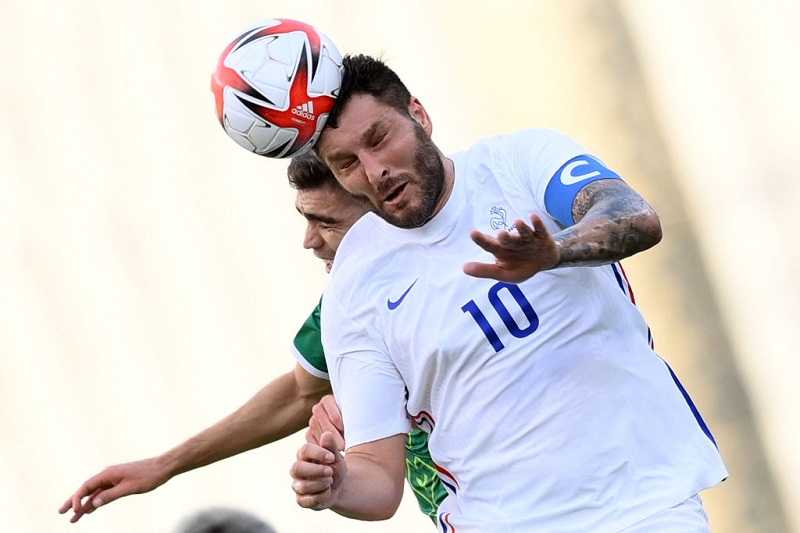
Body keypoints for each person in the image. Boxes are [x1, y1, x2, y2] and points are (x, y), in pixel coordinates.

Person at [289, 55, 728, 531]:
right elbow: (378, 476)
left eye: (379, 139)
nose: (375, 171)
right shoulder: (353, 288)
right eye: (348, 163)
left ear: (418, 115)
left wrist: (555, 252)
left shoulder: (519, 162)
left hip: (646, 506)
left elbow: (634, 217)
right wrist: (337, 485)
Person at [57, 158, 446, 524]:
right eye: (306, 219)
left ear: (383, 214)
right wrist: (163, 465)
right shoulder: (346, 306)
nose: (309, 241)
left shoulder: (460, 267)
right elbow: (301, 393)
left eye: (327, 223)